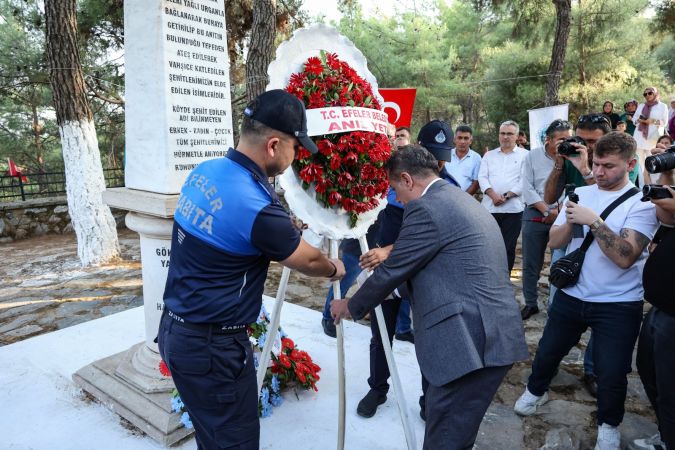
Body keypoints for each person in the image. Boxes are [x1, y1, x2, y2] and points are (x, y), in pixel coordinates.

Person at [157, 90, 346, 449]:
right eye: (296, 147)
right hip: (213, 349)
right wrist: (334, 268)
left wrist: (282, 227)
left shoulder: (205, 171)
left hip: (176, 331)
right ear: (274, 145)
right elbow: (306, 260)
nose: (296, 157)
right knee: (235, 441)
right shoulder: (257, 208)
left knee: (211, 435)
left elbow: (231, 228)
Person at [332, 145, 528, 450]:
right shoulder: (457, 197)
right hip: (489, 333)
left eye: (396, 189)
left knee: (445, 438)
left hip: (470, 345)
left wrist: (350, 306)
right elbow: (444, 269)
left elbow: (393, 270)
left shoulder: (425, 207)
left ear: (408, 180)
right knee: (455, 432)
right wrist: (392, 293)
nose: (397, 198)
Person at [514, 132, 659, 450]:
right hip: (571, 295)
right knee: (549, 350)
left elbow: (625, 257)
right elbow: (554, 242)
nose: (601, 172)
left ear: (630, 164)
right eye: (597, 164)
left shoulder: (644, 204)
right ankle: (536, 391)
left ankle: (609, 425)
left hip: (618, 303)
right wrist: (568, 223)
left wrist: (593, 222)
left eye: (610, 166)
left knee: (611, 371)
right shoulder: (579, 191)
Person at [352, 121, 460, 420]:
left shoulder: (448, 188)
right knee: (380, 333)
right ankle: (377, 388)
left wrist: (388, 250)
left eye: (442, 156)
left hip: (425, 274)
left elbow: (428, 241)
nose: (439, 162)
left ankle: (429, 400)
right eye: (432, 154)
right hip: (386, 270)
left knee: (427, 340)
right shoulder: (395, 179)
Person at [632, 145, 675, 450]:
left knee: (671, 387)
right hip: (661, 304)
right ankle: (665, 436)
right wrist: (667, 172)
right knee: (649, 371)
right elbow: (666, 216)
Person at [520, 119, 573, 320]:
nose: (566, 142)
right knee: (531, 263)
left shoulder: (572, 156)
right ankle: (531, 303)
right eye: (562, 139)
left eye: (569, 138)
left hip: (563, 213)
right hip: (535, 212)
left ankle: (555, 304)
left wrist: (558, 210)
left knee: (559, 261)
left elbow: (571, 188)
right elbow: (527, 187)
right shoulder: (532, 156)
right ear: (549, 140)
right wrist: (545, 211)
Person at [478, 120, 528, 273]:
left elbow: (524, 180)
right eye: (503, 133)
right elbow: (482, 177)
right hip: (489, 209)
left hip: (513, 210)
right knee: (488, 245)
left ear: (517, 136)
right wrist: (493, 195)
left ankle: (503, 280)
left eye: (509, 134)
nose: (505, 137)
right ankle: (489, 277)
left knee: (508, 247)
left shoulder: (526, 156)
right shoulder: (489, 155)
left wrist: (506, 197)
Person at [632, 87, 669, 179]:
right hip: (639, 138)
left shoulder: (662, 106)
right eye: (645, 94)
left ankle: (653, 185)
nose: (647, 95)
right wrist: (639, 120)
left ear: (656, 93)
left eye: (650, 93)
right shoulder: (641, 106)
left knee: (652, 163)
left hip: (653, 139)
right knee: (638, 164)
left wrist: (652, 121)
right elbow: (634, 119)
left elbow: (664, 122)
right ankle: (641, 186)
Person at [444, 124, 481, 195]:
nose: (462, 142)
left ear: (470, 141)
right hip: (445, 196)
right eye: (460, 138)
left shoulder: (476, 158)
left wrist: (463, 198)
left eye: (466, 138)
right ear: (454, 140)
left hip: (465, 200)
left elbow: (475, 183)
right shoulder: (446, 155)